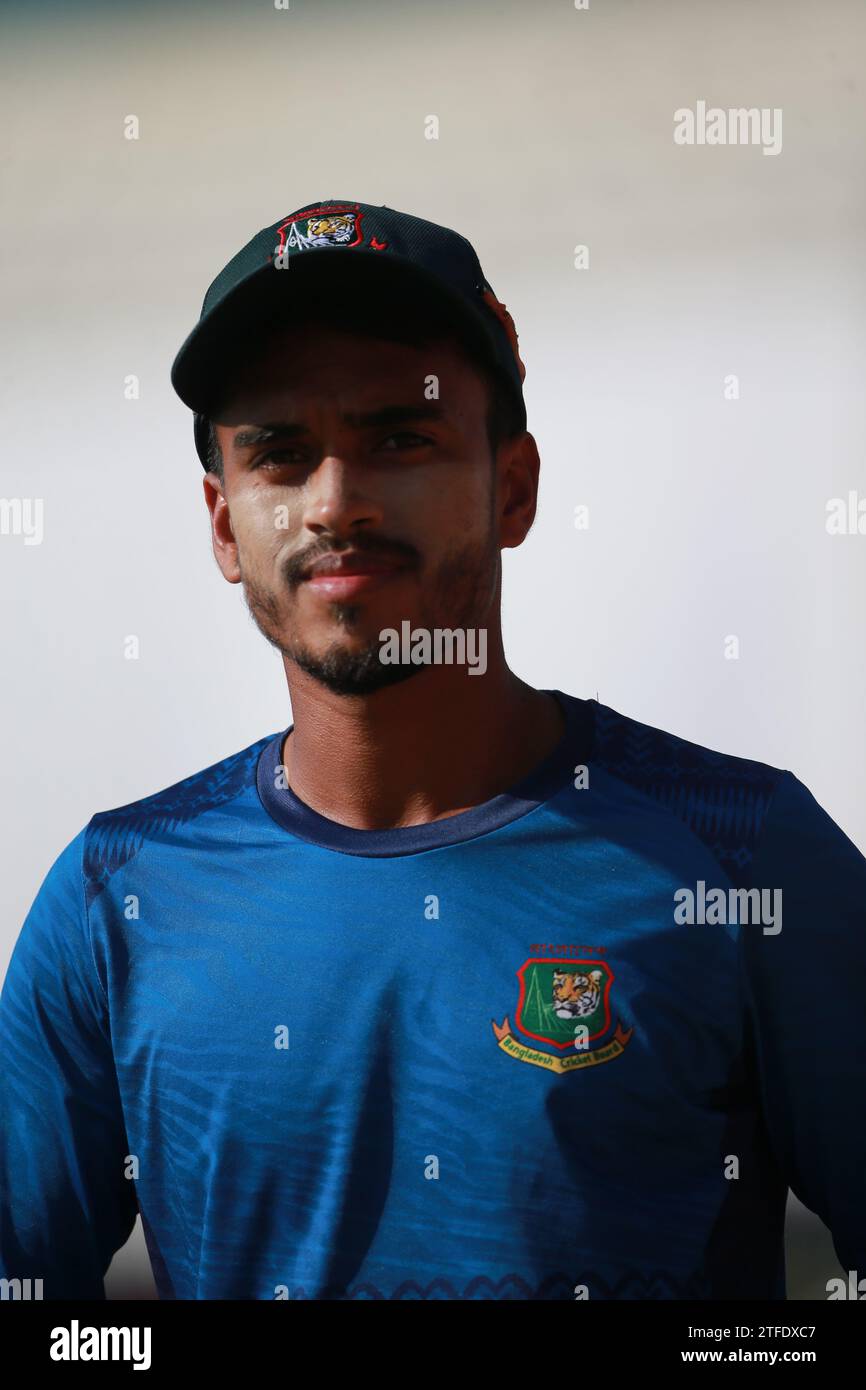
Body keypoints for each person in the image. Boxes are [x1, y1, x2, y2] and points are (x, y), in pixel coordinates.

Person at [1, 199, 864, 1301]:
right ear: (224, 524)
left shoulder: (743, 857)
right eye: (279, 453)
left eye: (397, 439)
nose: (334, 503)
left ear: (512, 488)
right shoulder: (114, 898)